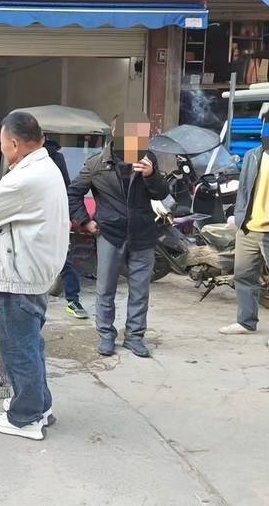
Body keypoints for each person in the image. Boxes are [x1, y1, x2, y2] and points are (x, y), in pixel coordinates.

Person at [0, 111, 69, 441]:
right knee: (31, 344)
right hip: (36, 271)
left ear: (13, 143)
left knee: (18, 348)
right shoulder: (47, 166)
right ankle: (40, 405)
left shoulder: (26, 178)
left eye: (1, 143)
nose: (1, 149)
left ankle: (25, 418)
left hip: (20, 275)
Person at [67, 111, 168, 358]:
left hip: (142, 234)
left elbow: (161, 194)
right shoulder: (97, 163)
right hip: (110, 234)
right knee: (106, 289)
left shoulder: (148, 158)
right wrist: (85, 222)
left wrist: (151, 175)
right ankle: (106, 336)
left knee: (140, 290)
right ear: (116, 132)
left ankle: (134, 337)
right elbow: (73, 193)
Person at [218, 106, 269, 348]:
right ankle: (246, 322)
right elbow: (243, 189)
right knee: (244, 277)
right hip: (248, 229)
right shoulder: (253, 155)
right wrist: (238, 217)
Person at [44, 137, 88, 319]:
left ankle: (73, 300)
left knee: (64, 258)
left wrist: (68, 217)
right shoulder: (22, 156)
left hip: (54, 215)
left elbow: (66, 188)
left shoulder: (56, 158)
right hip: (29, 217)